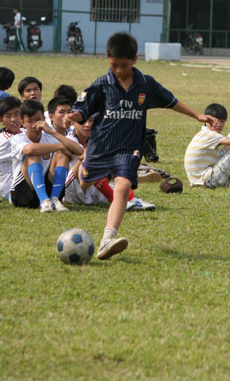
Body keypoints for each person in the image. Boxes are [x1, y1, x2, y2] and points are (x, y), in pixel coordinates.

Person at [68, 31, 215, 261]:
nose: (118, 70)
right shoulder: (101, 85)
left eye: (123, 65)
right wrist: (73, 116)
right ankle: (86, 165)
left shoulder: (146, 83)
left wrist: (196, 115)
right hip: (101, 145)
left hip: (129, 147)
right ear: (108, 59)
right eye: (114, 64)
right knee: (84, 180)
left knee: (123, 186)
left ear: (135, 60)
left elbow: (171, 101)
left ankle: (107, 238)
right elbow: (82, 109)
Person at [63, 115, 156, 211]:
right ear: (73, 123)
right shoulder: (69, 140)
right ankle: (116, 201)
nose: (87, 125)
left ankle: (132, 200)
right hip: (72, 189)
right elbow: (83, 180)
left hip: (94, 189)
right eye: (82, 122)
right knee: (90, 158)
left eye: (91, 121)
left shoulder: (98, 138)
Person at [10, 99, 83, 212]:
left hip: (48, 188)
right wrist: (60, 147)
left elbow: (79, 151)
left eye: (38, 120)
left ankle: (54, 200)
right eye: (29, 121)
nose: (35, 125)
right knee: (34, 153)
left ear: (44, 120)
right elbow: (30, 149)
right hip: (23, 193)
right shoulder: (17, 138)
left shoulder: (49, 136)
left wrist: (52, 132)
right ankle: (44, 201)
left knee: (62, 155)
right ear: (22, 123)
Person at [0, 97, 24, 200]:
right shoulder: (6, 140)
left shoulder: (22, 132)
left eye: (17, 114)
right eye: (8, 116)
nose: (13, 119)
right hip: (11, 190)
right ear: (1, 120)